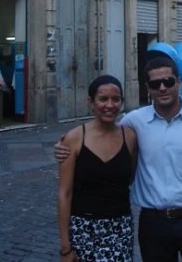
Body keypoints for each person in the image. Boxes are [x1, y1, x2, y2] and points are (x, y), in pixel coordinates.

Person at [55, 56, 182, 262]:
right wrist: (64, 146)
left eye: (168, 82)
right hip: (153, 223)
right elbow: (105, 129)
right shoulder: (134, 122)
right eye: (155, 84)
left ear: (178, 82)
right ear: (147, 88)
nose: (162, 88)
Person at [57, 75, 137, 262]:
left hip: (120, 227)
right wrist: (65, 246)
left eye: (115, 99)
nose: (110, 105)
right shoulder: (75, 138)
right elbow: (64, 194)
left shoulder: (130, 137)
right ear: (91, 102)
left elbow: (130, 177)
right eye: (103, 99)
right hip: (84, 228)